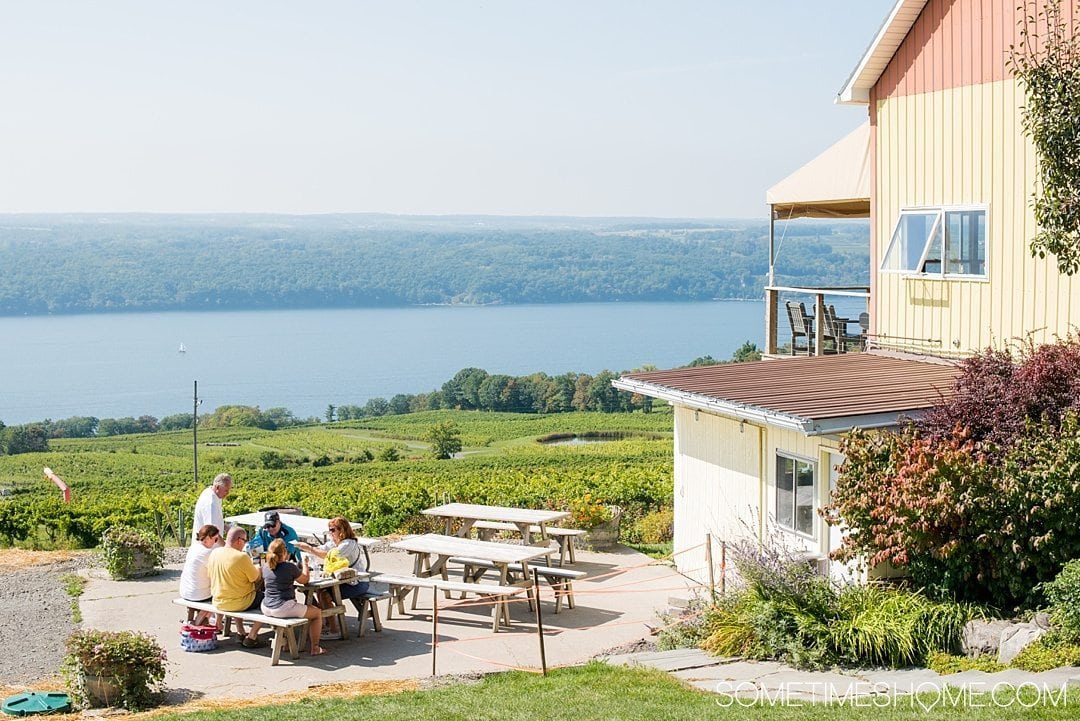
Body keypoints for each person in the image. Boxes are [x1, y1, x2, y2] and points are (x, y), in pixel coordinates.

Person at [295, 517, 368, 636]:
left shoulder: (348, 543)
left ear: (342, 530)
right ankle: (323, 621)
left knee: (324, 594)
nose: (330, 533)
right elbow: (321, 549)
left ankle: (334, 629)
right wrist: (306, 548)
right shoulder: (334, 542)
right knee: (315, 591)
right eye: (330, 530)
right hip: (343, 580)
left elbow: (328, 556)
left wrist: (310, 548)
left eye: (333, 530)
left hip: (357, 582)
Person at [261, 538, 328, 657]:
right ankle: (315, 647)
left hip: (266, 606)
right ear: (284, 552)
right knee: (317, 613)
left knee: (294, 605)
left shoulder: (266, 566)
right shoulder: (289, 567)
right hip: (281, 607)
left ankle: (287, 643)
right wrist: (305, 564)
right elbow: (305, 580)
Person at [207, 526, 264, 648]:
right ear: (239, 540)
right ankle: (252, 636)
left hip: (218, 601)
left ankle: (240, 631)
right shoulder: (241, 557)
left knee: (236, 588)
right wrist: (259, 568)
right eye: (245, 540)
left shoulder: (214, 553)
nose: (245, 544)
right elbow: (256, 578)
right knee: (271, 601)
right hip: (239, 602)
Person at [179, 524, 220, 626]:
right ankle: (211, 623)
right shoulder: (208, 553)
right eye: (215, 539)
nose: (216, 543)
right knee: (221, 595)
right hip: (198, 595)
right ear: (207, 538)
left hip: (185, 591)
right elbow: (216, 574)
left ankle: (199, 620)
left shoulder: (193, 547)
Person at [191, 472, 232, 543]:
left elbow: (214, 521)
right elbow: (211, 531)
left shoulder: (212, 494)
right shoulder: (210, 502)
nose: (228, 493)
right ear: (217, 487)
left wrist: (225, 527)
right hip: (207, 549)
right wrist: (225, 547)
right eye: (226, 490)